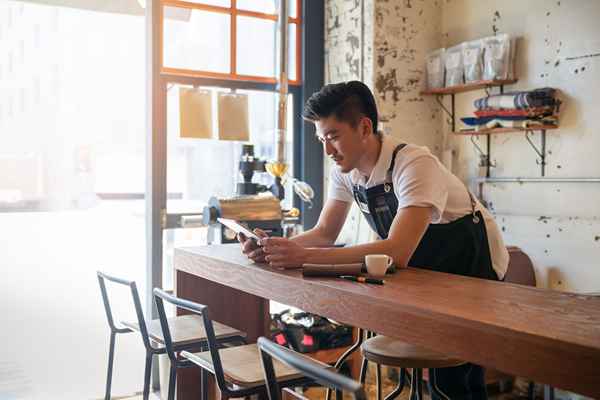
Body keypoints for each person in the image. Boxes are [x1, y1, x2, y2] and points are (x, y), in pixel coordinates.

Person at [238, 80, 509, 399]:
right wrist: (277, 248)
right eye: (321, 139)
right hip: (428, 270)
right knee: (439, 373)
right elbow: (325, 233)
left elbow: (397, 251)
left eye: (333, 137)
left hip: (472, 267)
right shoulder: (345, 171)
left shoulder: (414, 164)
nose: (327, 150)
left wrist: (302, 256)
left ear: (364, 127)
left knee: (456, 377)